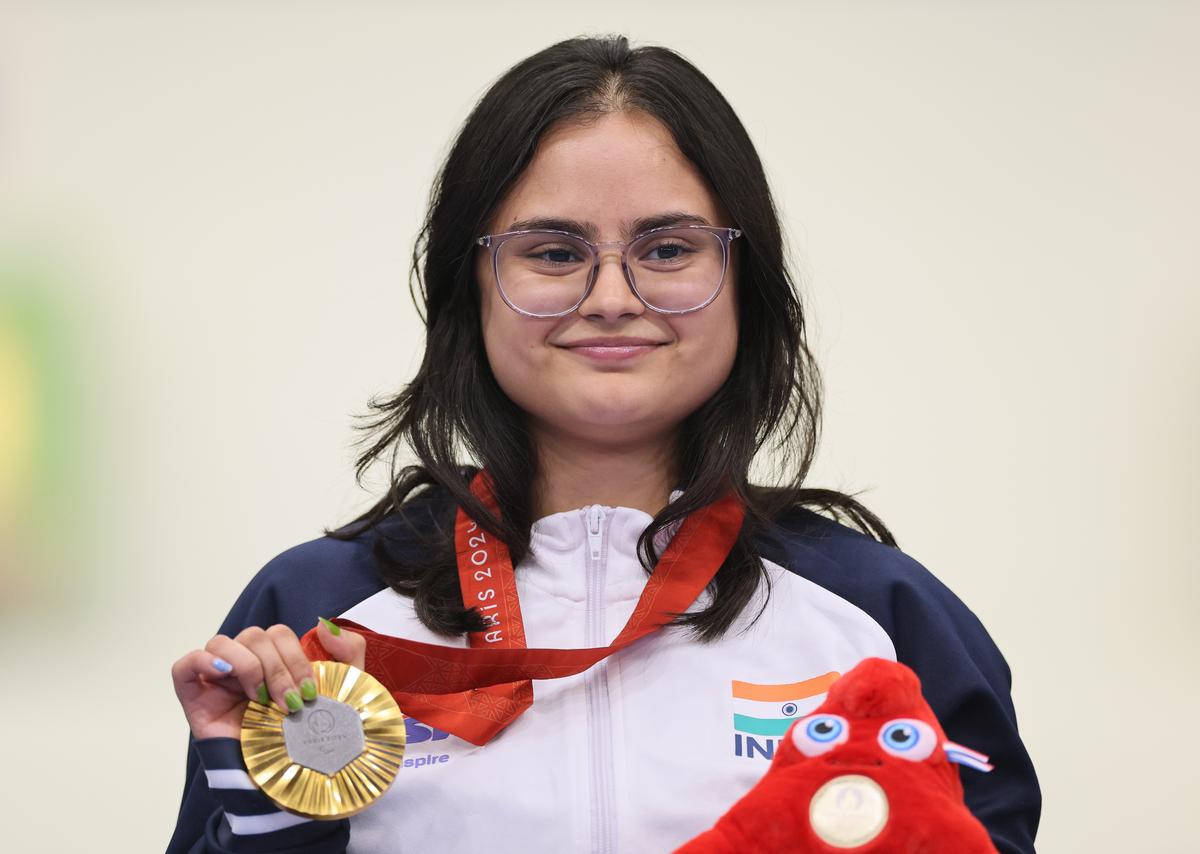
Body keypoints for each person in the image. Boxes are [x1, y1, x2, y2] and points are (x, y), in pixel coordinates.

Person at [167, 34, 1040, 854]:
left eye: (667, 248)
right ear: (467, 287)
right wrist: (278, 814)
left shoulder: (879, 616)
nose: (613, 296)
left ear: (747, 280)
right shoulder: (320, 611)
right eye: (553, 251)